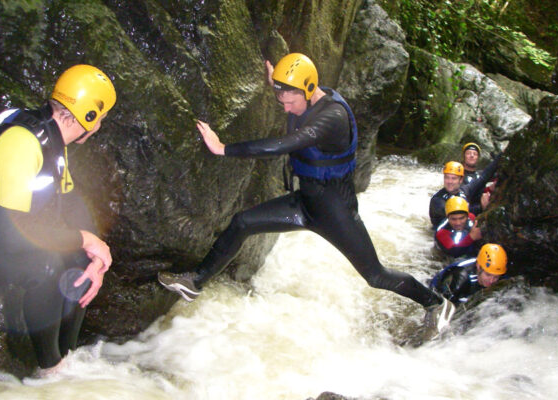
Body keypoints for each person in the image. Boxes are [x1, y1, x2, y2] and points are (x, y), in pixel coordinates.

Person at [159, 53, 455, 333]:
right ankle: (195, 282)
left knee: (376, 275)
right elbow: (291, 96)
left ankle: (435, 303)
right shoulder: (301, 96)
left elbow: (283, 145)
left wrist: (224, 148)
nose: (285, 108)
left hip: (336, 211)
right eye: (281, 100)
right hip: (305, 204)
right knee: (242, 223)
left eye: (289, 101)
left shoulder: (332, 118)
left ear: (309, 89)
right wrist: (275, 81)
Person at [0, 64, 116, 374]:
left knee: (80, 262)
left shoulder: (53, 139)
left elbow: (70, 203)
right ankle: (50, 370)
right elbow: (13, 233)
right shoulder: (21, 142)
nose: (100, 124)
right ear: (87, 117)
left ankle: (66, 357)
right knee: (45, 266)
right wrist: (85, 240)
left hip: (5, 234)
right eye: (100, 117)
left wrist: (96, 253)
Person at [428, 155, 499, 229]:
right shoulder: (437, 200)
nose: (449, 182)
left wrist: (501, 155)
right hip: (443, 236)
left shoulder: (464, 190)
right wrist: (481, 207)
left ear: (461, 180)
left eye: (453, 178)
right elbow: (456, 215)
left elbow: (483, 177)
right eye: (447, 178)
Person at [429, 243, 507, 305]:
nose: (492, 281)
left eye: (496, 277)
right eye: (488, 275)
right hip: (441, 290)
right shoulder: (461, 278)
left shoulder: (500, 275)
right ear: (478, 267)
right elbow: (442, 305)